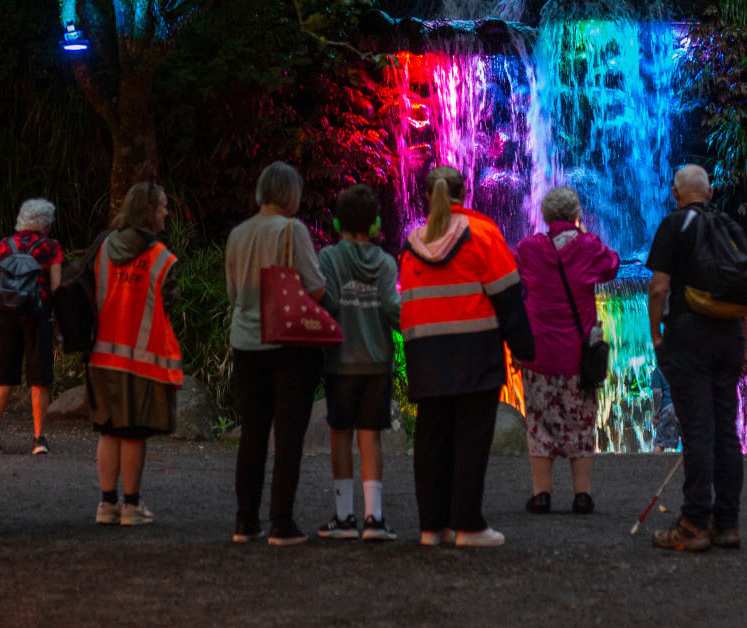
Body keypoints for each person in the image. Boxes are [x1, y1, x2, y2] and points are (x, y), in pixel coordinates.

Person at [399, 165, 534, 548]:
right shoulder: (483, 234)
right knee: (471, 439)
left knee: (431, 440)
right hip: (474, 351)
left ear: (426, 195)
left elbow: (408, 303)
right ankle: (469, 526)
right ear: (466, 191)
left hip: (426, 353)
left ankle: (432, 527)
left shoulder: (412, 243)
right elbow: (508, 299)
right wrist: (523, 349)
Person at [645, 165, 747, 552]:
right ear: (709, 192)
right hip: (730, 336)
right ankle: (727, 524)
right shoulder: (731, 227)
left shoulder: (674, 225)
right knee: (726, 430)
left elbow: (659, 287)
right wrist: (744, 344)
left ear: (676, 192)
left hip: (690, 334)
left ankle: (693, 523)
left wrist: (656, 334)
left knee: (697, 431)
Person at [225, 162, 327, 546]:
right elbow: (314, 288)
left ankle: (245, 521)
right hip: (289, 345)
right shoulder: (292, 230)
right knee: (287, 436)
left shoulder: (238, 233)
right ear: (290, 194)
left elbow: (234, 294)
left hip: (246, 342)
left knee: (252, 433)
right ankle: (281, 523)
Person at [514, 186, 619, 516]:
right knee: (581, 420)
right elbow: (612, 265)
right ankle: (582, 495)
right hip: (578, 354)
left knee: (539, 421)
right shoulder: (588, 247)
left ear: (544, 216)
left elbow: (515, 279)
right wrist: (583, 234)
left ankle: (542, 494)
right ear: (576, 215)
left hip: (539, 351)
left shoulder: (529, 248)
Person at [87, 181, 183, 526]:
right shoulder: (160, 257)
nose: (166, 213)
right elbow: (167, 303)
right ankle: (131, 506)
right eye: (162, 207)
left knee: (108, 430)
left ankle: (106, 504)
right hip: (142, 359)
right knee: (133, 433)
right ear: (148, 211)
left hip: (101, 354)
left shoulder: (102, 247)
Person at [313, 184, 401, 542]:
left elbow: (329, 303)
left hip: (340, 363)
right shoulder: (385, 262)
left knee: (340, 436)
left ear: (336, 224)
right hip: (377, 362)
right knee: (371, 437)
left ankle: (344, 517)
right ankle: (374, 518)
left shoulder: (328, 259)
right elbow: (393, 310)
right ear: (377, 225)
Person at [0, 198, 64, 456]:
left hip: (5, 316)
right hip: (36, 314)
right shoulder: (51, 247)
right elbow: (56, 286)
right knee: (38, 379)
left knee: (3, 378)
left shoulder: (5, 245)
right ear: (45, 223)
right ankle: (39, 439)